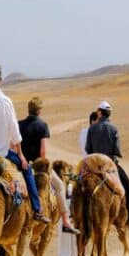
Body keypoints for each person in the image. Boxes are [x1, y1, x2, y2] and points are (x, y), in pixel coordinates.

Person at [0, 64, 49, 223]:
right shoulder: (5, 101)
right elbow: (14, 130)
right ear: (0, 79)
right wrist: (20, 155)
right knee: (27, 171)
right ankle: (37, 209)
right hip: (1, 152)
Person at [18, 96, 79, 234]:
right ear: (39, 111)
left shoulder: (19, 124)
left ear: (29, 110)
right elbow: (43, 151)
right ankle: (65, 221)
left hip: (21, 166)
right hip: (37, 167)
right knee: (59, 187)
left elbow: (15, 146)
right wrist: (43, 166)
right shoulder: (42, 125)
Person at [85, 100, 129, 231]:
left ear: (100, 113)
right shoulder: (113, 129)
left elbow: (88, 149)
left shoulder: (92, 128)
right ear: (109, 114)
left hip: (95, 165)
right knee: (128, 186)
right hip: (110, 166)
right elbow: (116, 150)